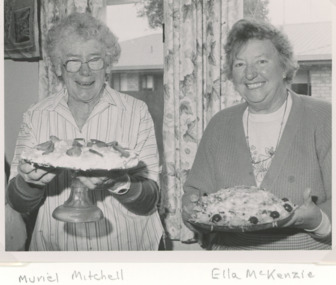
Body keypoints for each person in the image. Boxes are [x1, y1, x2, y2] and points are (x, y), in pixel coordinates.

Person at [6, 12, 163, 251]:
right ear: (59, 69)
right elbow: (17, 202)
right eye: (73, 61)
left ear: (107, 65)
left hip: (127, 249)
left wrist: (119, 182)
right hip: (57, 251)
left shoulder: (136, 112)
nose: (85, 71)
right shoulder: (36, 116)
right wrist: (29, 183)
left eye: (94, 59)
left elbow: (151, 199)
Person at [182, 18, 331, 250]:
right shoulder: (219, 125)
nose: (250, 74)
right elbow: (195, 199)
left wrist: (318, 222)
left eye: (261, 61)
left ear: (283, 66)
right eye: (240, 64)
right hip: (233, 268)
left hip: (303, 266)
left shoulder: (324, 118)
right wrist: (190, 209)